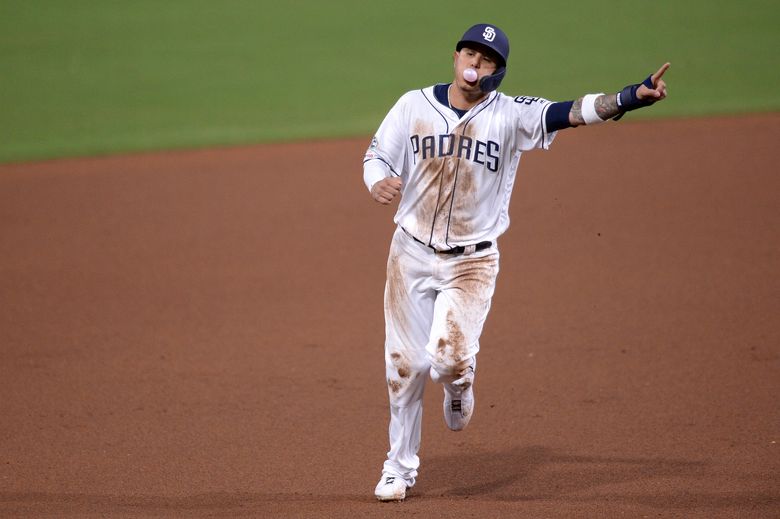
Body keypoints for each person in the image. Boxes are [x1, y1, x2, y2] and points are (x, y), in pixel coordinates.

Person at [363, 23, 669, 502]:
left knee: (447, 361)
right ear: (455, 55)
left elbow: (571, 112)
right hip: (410, 253)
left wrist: (630, 97)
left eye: (486, 60)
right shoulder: (412, 105)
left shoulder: (511, 115)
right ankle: (398, 468)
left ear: (498, 72)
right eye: (469, 53)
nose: (474, 65)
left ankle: (460, 383)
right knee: (403, 365)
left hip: (472, 263)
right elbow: (377, 155)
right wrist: (377, 180)